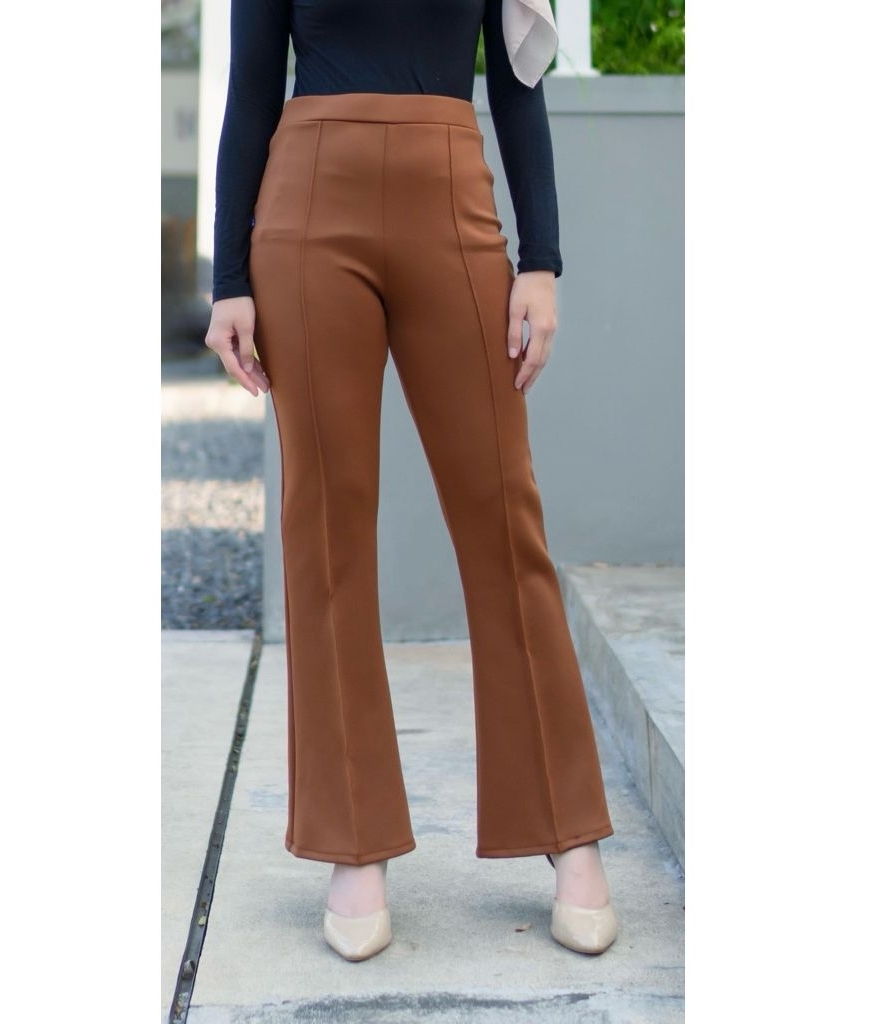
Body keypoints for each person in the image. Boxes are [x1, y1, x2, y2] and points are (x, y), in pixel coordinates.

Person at [204, 0, 619, 962]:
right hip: (308, 207)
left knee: (503, 515)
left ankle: (569, 830)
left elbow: (517, 86)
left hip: (451, 200)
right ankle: (352, 842)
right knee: (326, 529)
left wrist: (542, 261)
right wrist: (229, 278)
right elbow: (251, 90)